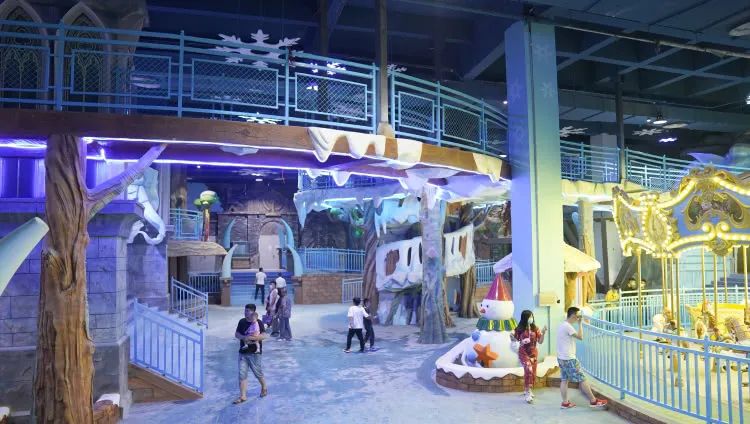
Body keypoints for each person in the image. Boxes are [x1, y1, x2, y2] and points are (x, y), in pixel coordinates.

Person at [557, 306, 607, 409]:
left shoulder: (562, 325)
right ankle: (593, 401)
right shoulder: (568, 326)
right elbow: (580, 337)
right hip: (569, 359)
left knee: (564, 379)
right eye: (578, 316)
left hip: (561, 358)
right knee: (582, 379)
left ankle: (565, 403)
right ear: (573, 315)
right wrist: (580, 324)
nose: (578, 318)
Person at [234, 304, 267, 404]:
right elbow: (236, 334)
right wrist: (244, 337)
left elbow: (264, 335)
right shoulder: (242, 322)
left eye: (247, 311)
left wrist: (253, 338)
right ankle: (243, 396)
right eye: (245, 310)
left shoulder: (259, 322)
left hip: (255, 353)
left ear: (253, 312)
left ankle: (264, 387)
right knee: (242, 374)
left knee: (257, 373)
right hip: (243, 352)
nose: (245, 312)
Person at [513, 309, 546, 403]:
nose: (531, 318)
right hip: (523, 352)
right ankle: (528, 392)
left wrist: (543, 333)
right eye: (529, 317)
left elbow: (540, 341)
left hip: (533, 353)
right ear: (525, 318)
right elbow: (514, 341)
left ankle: (527, 388)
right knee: (528, 369)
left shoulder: (535, 328)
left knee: (533, 373)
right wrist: (521, 342)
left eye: (532, 316)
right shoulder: (519, 329)